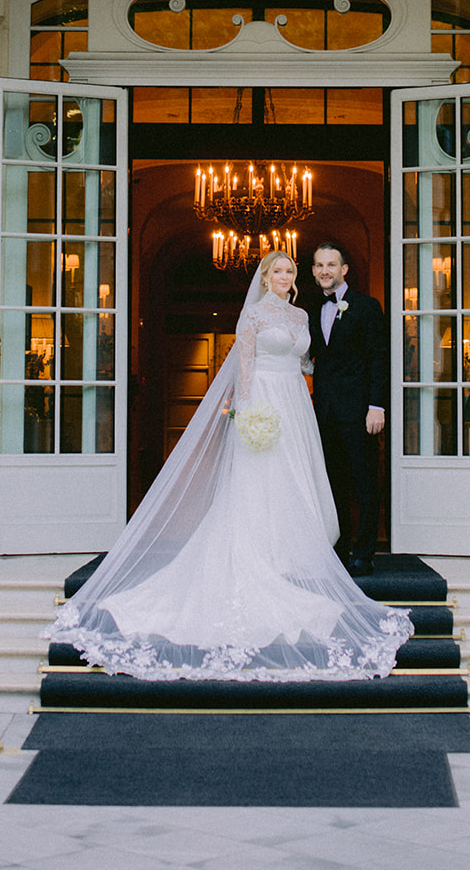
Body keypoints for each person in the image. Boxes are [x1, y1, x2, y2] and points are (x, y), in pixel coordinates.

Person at [50, 250, 411, 680]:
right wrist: (248, 412)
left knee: (302, 478)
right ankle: (264, 553)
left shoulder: (303, 315)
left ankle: (312, 553)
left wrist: (366, 399)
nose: (286, 275)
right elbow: (245, 368)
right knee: (263, 480)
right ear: (264, 277)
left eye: (290, 270)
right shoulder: (254, 317)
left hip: (299, 404)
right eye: (278, 270)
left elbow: (312, 361)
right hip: (264, 399)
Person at [308, 240, 388, 578]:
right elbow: (315, 361)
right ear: (313, 272)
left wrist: (376, 406)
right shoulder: (312, 310)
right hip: (324, 413)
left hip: (359, 412)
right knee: (334, 484)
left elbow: (378, 358)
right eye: (319, 265)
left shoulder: (367, 307)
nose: (325, 271)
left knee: (365, 482)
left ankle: (364, 552)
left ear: (344, 270)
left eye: (331, 265)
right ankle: (340, 548)